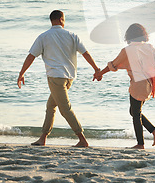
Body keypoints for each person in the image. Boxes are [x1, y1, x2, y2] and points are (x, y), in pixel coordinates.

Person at [94, 23, 155, 149]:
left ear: (129, 36)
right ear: (144, 35)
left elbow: (113, 65)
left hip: (138, 85)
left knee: (136, 114)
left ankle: (140, 143)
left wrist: (100, 73)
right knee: (133, 111)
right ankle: (154, 131)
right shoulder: (150, 48)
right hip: (148, 84)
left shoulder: (127, 50)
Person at [17, 10, 100, 147]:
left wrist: (21, 73)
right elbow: (86, 53)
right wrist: (96, 69)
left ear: (52, 20)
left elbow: (31, 56)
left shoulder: (44, 37)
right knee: (51, 106)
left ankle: (82, 139)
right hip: (69, 79)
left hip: (55, 78)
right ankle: (43, 138)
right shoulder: (72, 35)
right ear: (61, 19)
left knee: (65, 109)